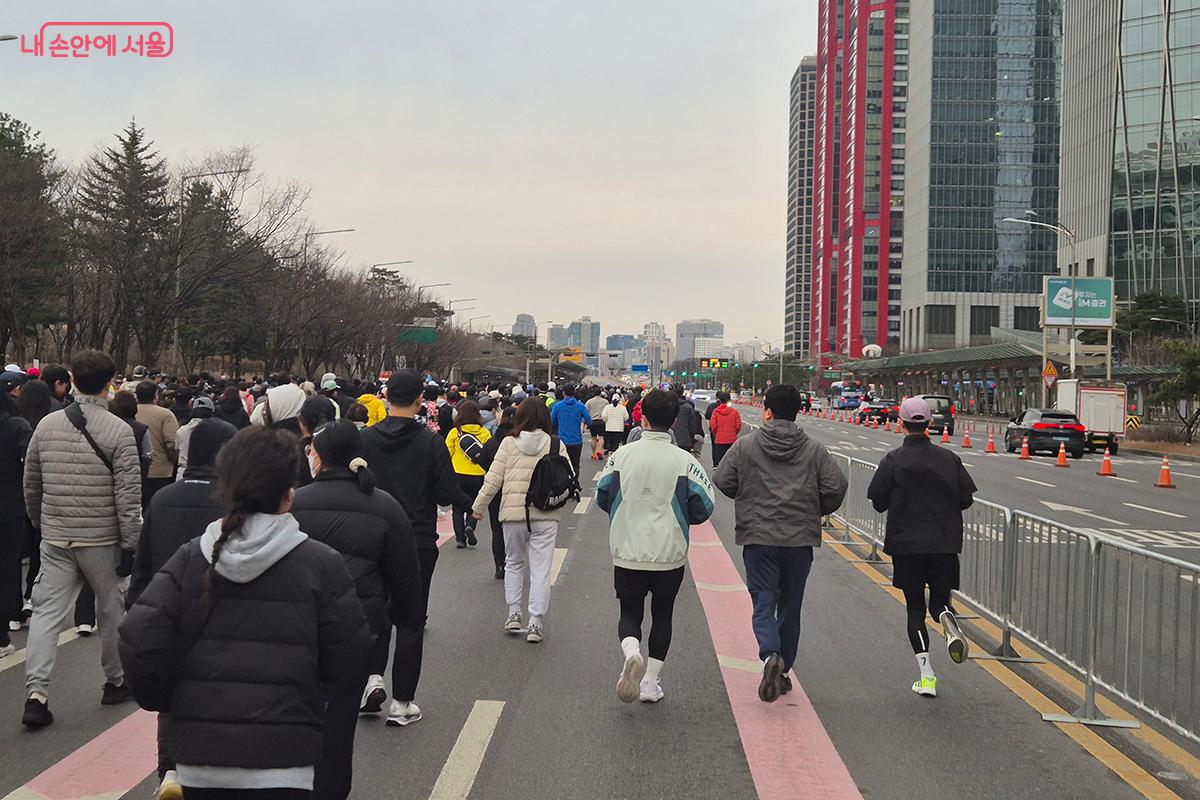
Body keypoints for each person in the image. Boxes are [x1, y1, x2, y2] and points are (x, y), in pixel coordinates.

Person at [119, 426, 371, 799]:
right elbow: (352, 658)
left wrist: (170, 701)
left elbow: (139, 637)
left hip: (198, 760)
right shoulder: (320, 564)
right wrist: (314, 700)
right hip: (286, 759)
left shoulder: (192, 557)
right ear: (290, 494)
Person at [292, 421, 422, 796]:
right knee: (337, 731)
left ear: (318, 456)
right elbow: (405, 579)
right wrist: (406, 620)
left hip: (301, 629)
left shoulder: (297, 503)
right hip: (359, 631)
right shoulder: (385, 506)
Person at [22, 350, 142, 728]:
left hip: (56, 537)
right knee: (111, 611)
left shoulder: (46, 426)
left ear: (72, 379)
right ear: (110, 382)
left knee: (45, 614)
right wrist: (130, 544)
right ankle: (115, 681)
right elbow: (128, 497)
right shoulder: (120, 431)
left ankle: (36, 693)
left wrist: (41, 521)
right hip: (102, 539)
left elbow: (32, 484)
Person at [714, 384, 847, 704]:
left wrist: (747, 498)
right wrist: (815, 509)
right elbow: (836, 487)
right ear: (798, 412)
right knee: (790, 605)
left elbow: (722, 480)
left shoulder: (745, 446)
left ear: (768, 411)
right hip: (799, 540)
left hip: (758, 538)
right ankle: (783, 670)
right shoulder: (815, 450)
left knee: (763, 601)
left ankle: (770, 654)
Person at [125, 419, 234, 800]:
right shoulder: (231, 502)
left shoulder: (164, 498)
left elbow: (143, 563)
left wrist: (137, 607)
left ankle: (170, 770)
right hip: (221, 612)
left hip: (168, 610)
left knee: (172, 697)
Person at [359, 370, 473, 725]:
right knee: (410, 621)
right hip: (417, 538)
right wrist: (473, 505)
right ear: (420, 399)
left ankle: (371, 681)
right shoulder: (429, 442)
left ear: (386, 397)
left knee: (375, 613)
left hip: (372, 536)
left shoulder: (365, 440)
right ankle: (402, 703)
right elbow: (445, 493)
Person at [596, 389, 715, 703]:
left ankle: (631, 651)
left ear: (642, 417)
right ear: (674, 420)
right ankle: (650, 682)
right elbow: (704, 505)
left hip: (627, 550)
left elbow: (602, 496)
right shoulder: (685, 461)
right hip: (669, 553)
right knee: (663, 614)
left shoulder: (621, 456)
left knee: (629, 611)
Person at [867, 396, 976, 698]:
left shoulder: (894, 460)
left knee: (915, 607)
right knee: (939, 603)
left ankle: (926, 676)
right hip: (944, 544)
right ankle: (948, 622)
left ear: (900, 424)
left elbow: (877, 500)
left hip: (907, 545)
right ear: (929, 423)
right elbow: (966, 498)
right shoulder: (949, 459)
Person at [471, 397, 571, 644]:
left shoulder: (508, 443)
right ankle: (535, 623)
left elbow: (493, 479)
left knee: (514, 563)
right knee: (540, 570)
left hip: (513, 514)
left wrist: (477, 508)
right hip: (545, 514)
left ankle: (514, 613)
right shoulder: (554, 444)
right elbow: (568, 476)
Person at [0, 387, 32, 654]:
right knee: (8, 567)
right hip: (10, 507)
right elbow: (29, 466)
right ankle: (10, 618)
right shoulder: (18, 426)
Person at [444, 400, 492, 550]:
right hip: (477, 474)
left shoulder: (454, 432)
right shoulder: (484, 433)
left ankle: (460, 539)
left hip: (457, 473)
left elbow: (446, 454)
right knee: (474, 505)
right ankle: (470, 526)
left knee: (457, 507)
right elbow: (488, 454)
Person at [478, 405, 516, 580]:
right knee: (514, 529)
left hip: (495, 490)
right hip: (515, 489)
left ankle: (499, 565)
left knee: (497, 529)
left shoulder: (493, 441)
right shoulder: (518, 441)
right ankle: (513, 563)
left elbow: (482, 460)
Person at [136, 380, 179, 503]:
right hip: (160, 470)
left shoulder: (131, 412)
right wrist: (172, 460)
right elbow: (172, 442)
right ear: (156, 395)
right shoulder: (165, 414)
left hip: (136, 468)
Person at [549, 383, 592, 476]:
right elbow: (589, 421)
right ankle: (574, 484)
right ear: (573, 393)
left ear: (563, 393)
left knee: (561, 464)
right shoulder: (580, 406)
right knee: (575, 464)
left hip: (562, 441)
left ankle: (562, 483)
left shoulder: (557, 406)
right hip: (576, 441)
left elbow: (552, 422)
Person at [707, 392, 742, 469]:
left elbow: (713, 426)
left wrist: (716, 434)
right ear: (729, 400)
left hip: (719, 439)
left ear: (720, 400)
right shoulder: (735, 412)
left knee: (721, 461)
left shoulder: (715, 412)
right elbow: (738, 426)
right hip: (731, 440)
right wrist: (733, 433)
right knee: (730, 460)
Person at [670, 387, 704, 456]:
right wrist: (691, 440)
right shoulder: (688, 407)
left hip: (669, 441)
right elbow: (693, 427)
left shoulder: (666, 406)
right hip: (685, 441)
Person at [585, 389, 609, 460]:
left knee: (593, 438)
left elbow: (585, 410)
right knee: (601, 437)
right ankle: (599, 450)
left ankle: (593, 453)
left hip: (593, 421)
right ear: (600, 393)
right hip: (601, 421)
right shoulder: (605, 401)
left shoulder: (589, 401)